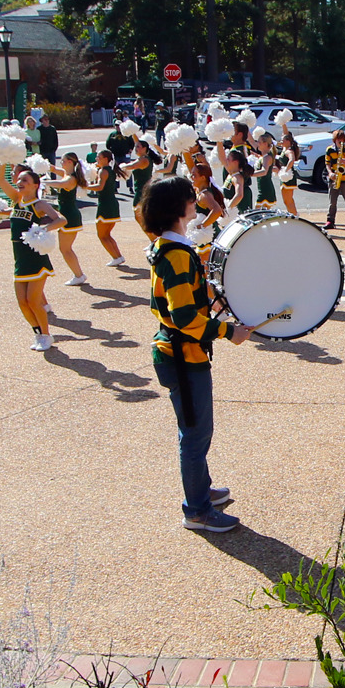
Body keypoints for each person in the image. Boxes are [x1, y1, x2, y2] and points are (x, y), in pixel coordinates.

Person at [140, 176, 255, 533]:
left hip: (179, 352)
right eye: (191, 199)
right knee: (195, 435)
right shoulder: (175, 254)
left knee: (196, 432)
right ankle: (198, 511)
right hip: (182, 356)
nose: (196, 202)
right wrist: (227, 331)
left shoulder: (168, 247)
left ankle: (201, 490)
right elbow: (184, 317)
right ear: (179, 208)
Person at [0, 162, 67, 350]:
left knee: (33, 301)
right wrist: (3, 158)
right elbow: (0, 179)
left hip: (35, 258)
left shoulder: (39, 204)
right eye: (19, 179)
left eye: (25, 180)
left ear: (35, 185)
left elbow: (61, 219)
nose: (20, 182)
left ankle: (46, 335)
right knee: (22, 302)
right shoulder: (16, 199)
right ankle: (38, 334)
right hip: (19, 258)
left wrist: (42, 229)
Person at [47, 153, 89, 284]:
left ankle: (79, 275)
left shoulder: (70, 179)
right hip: (66, 215)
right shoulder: (66, 173)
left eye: (63, 161)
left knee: (66, 249)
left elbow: (59, 184)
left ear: (71, 162)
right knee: (65, 248)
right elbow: (53, 169)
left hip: (70, 216)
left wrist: (40, 183)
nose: (62, 163)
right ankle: (78, 275)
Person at [89, 148, 125, 265]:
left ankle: (116, 257)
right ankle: (118, 256)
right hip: (112, 203)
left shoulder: (103, 171)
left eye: (98, 157)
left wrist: (85, 186)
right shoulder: (110, 170)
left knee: (102, 235)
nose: (96, 159)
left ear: (105, 159)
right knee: (106, 234)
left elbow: (100, 187)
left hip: (105, 204)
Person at [323, 129, 345, 229]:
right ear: (334, 140)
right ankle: (330, 220)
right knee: (332, 202)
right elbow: (327, 163)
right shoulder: (329, 149)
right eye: (338, 139)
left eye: (342, 139)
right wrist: (330, 173)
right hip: (334, 177)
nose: (340, 141)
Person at [278, 138, 301, 216]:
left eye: (283, 140)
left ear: (288, 141)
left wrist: (286, 170)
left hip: (288, 177)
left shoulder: (289, 151)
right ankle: (292, 215)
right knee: (286, 200)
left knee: (288, 200)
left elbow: (292, 160)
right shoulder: (285, 149)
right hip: (285, 177)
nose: (281, 141)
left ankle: (294, 216)